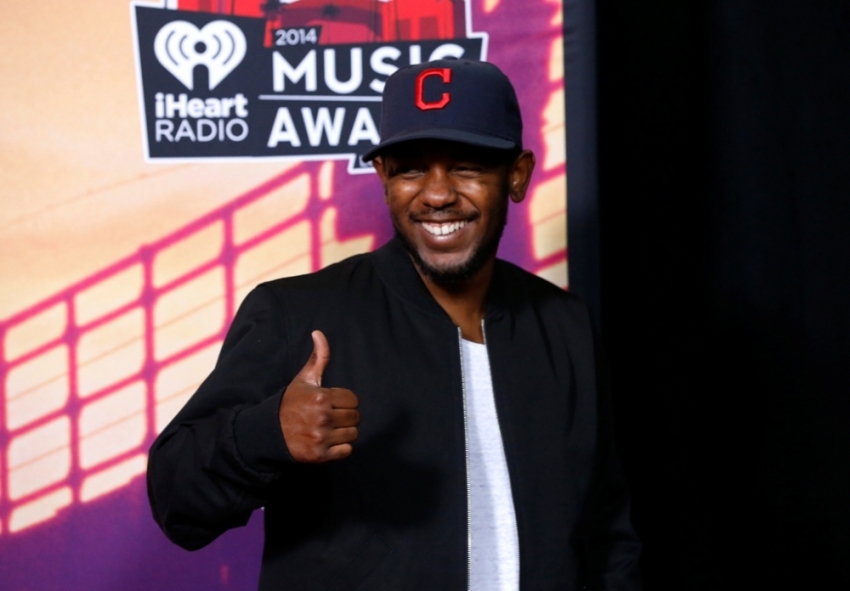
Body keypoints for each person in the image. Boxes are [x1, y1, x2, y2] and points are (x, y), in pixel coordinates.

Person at [147, 58, 641, 590]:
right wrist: (264, 434)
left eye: (467, 166)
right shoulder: (296, 314)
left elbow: (606, 531)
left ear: (516, 175)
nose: (436, 194)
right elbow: (177, 506)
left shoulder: (564, 325)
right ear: (383, 177)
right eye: (410, 168)